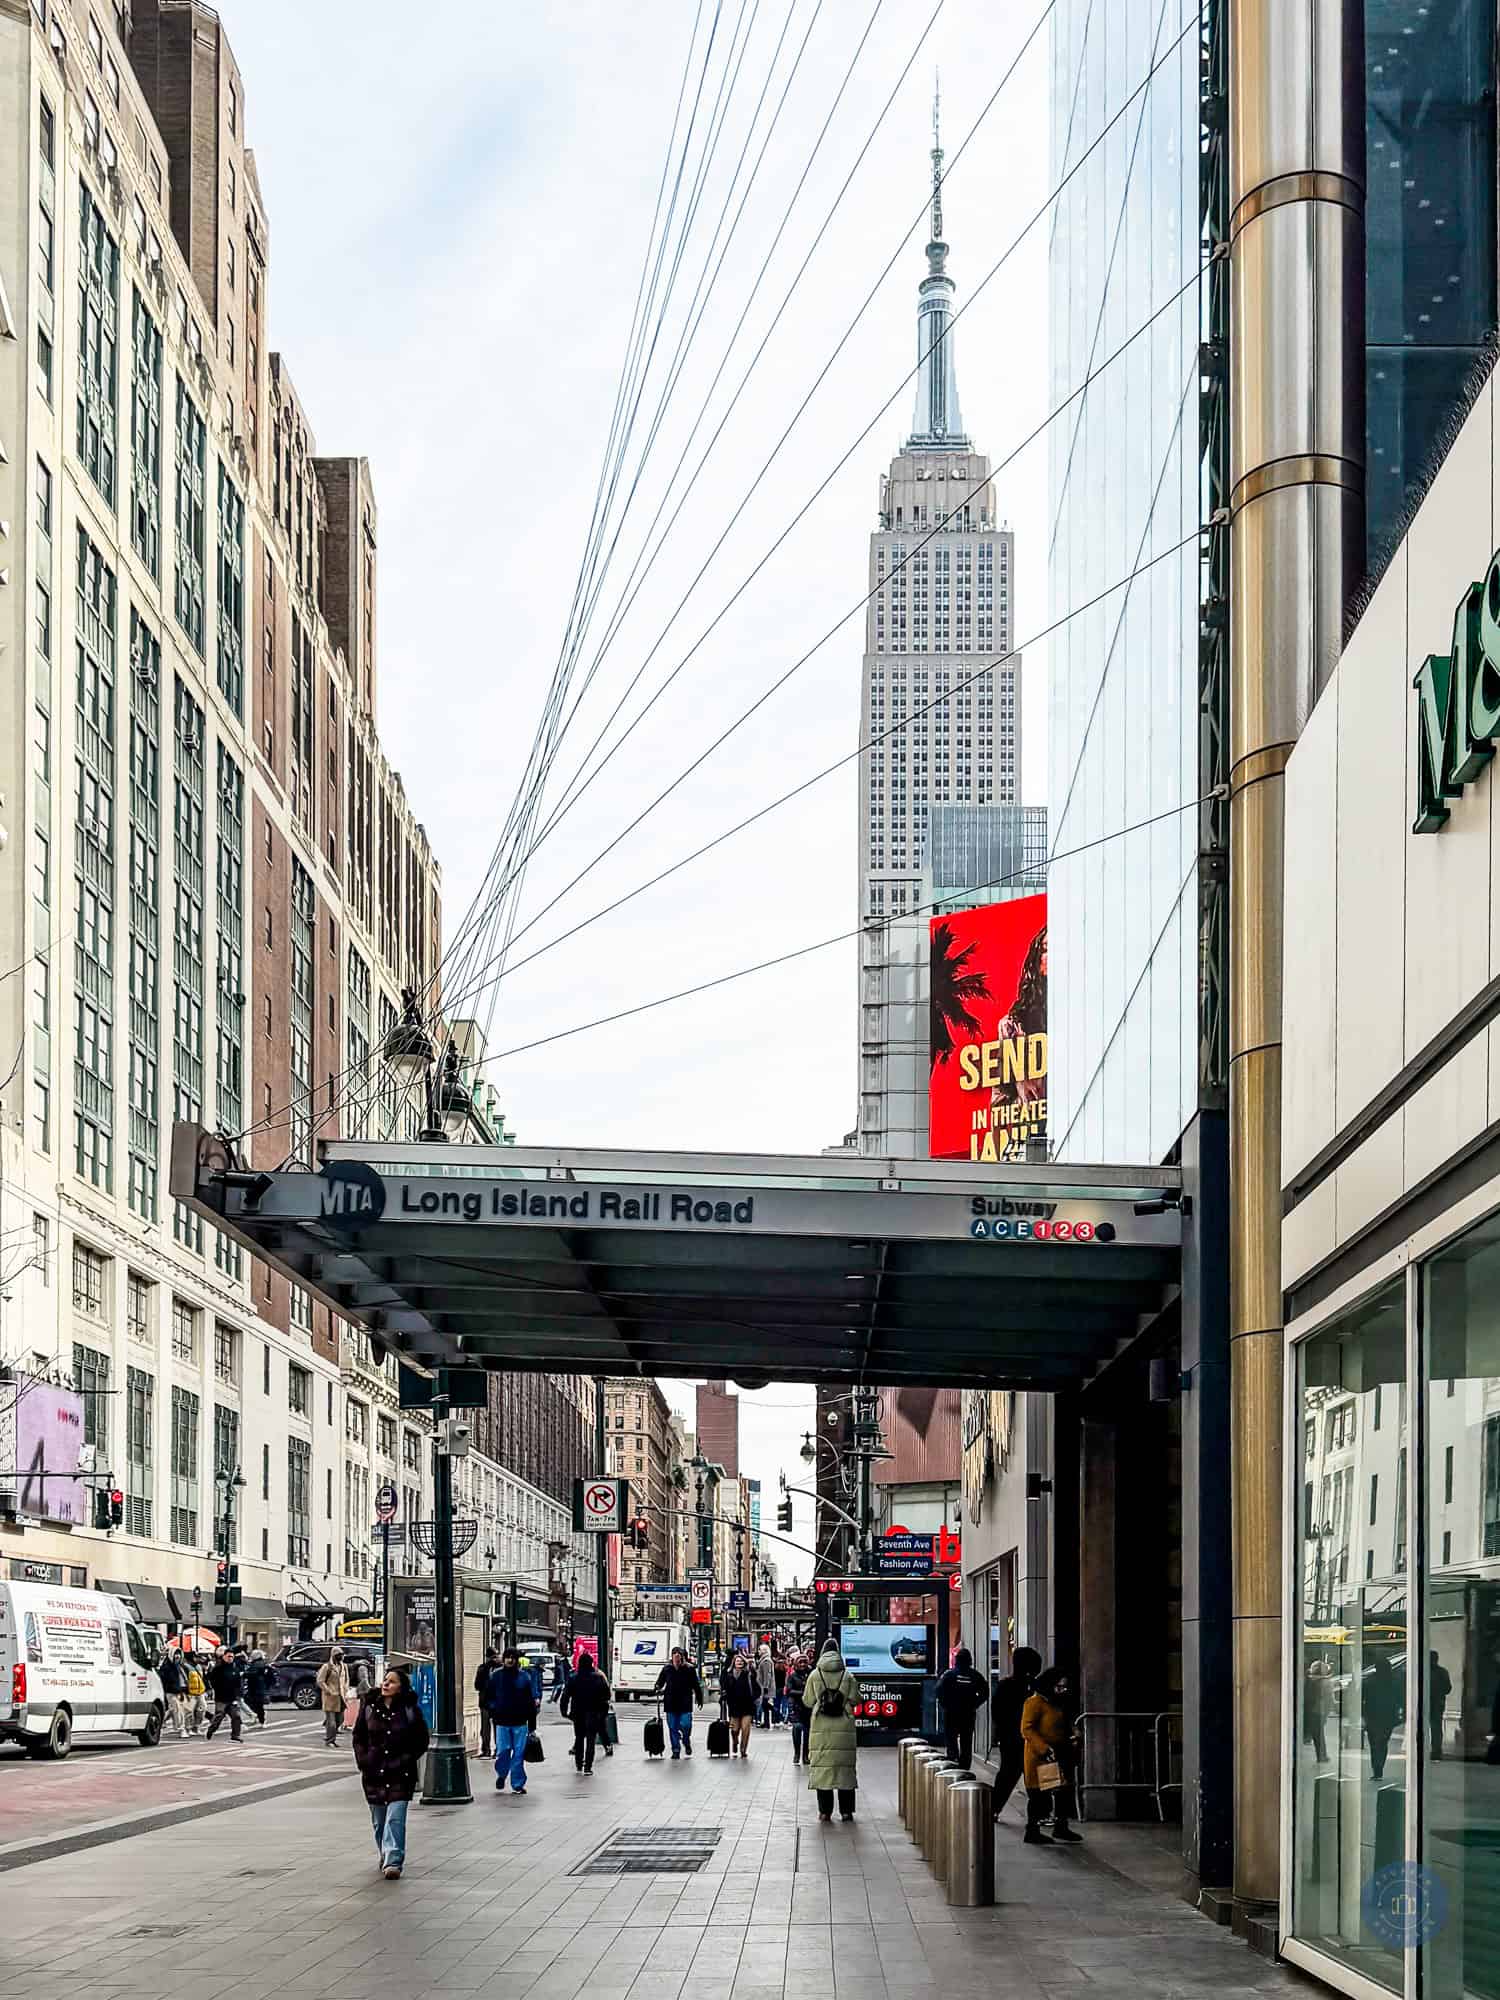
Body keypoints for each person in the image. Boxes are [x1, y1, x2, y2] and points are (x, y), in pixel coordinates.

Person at [353, 1665, 430, 1881]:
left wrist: (407, 1758)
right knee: (379, 1821)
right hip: (374, 1772)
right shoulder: (369, 1707)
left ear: (401, 1687)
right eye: (385, 1680)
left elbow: (421, 1739)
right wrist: (364, 1760)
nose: (386, 1684)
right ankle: (385, 1852)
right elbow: (359, 1736)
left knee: (395, 1818)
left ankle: (393, 1860)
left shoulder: (409, 1709)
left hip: (400, 1773)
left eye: (392, 1681)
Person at [1021, 1666, 1082, 1844]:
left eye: (1064, 1687)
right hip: (1042, 1757)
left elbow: (1068, 1721)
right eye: (1059, 1687)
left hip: (1060, 1752)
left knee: (1063, 1791)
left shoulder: (1058, 1703)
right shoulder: (1035, 1703)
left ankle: (1061, 1827)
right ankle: (1032, 1830)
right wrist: (1043, 1748)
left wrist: (1075, 1733)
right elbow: (1027, 1729)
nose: (1062, 1690)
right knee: (1040, 1795)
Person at [803, 1639, 861, 1822]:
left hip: (821, 1726)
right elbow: (856, 1699)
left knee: (823, 1770)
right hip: (844, 1726)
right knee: (845, 1770)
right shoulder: (848, 1675)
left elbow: (807, 1700)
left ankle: (825, 1811)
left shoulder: (815, 1674)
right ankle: (846, 1811)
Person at [990, 1646, 1041, 1821]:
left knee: (1008, 1774)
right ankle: (1039, 1814)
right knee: (1030, 1776)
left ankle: (994, 1808)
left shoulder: (1007, 1685)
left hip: (1011, 1737)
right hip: (1021, 1738)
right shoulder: (1033, 1686)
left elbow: (996, 1711)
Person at [485, 1647, 538, 1795]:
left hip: (519, 1721)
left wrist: (532, 1724)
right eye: (507, 1657)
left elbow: (530, 1702)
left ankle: (517, 1783)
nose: (509, 1660)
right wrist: (493, 1709)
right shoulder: (496, 1676)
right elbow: (488, 1696)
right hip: (502, 1720)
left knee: (518, 1755)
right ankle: (502, 1774)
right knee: (503, 1752)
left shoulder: (524, 1677)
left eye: (512, 1657)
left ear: (516, 1660)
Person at [935, 1646, 989, 1771]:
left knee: (951, 1737)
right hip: (968, 1714)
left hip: (951, 1713)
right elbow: (985, 1692)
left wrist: (946, 1704)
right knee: (966, 1741)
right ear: (970, 1660)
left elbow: (938, 1690)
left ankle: (952, 1761)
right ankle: (965, 1767)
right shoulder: (975, 1675)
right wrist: (975, 1703)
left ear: (956, 1660)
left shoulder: (949, 1675)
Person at [560, 1650, 609, 1774]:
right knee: (591, 1740)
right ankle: (588, 1767)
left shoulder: (573, 1678)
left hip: (577, 1712)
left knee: (579, 1738)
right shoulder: (598, 1678)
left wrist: (564, 1711)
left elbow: (565, 1696)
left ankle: (578, 1764)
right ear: (591, 1664)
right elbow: (607, 1695)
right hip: (593, 1712)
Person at [652, 1647, 704, 1759]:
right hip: (670, 1702)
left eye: (678, 1654)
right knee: (672, 1727)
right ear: (671, 1656)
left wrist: (699, 1698)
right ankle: (675, 1750)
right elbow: (660, 1682)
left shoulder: (689, 1669)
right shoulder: (667, 1669)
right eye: (674, 1654)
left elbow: (696, 1685)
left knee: (686, 1725)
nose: (676, 1656)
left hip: (685, 1702)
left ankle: (686, 1741)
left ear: (682, 1656)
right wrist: (657, 1687)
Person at [1364, 1653, 1400, 1780]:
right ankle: (1379, 1768)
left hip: (1372, 1716)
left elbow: (1363, 1700)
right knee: (1383, 1743)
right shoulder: (1395, 1680)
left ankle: (1376, 1770)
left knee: (1374, 1744)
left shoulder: (1369, 1681)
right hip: (1388, 1716)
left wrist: (1363, 1715)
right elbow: (1400, 1698)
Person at [722, 1651, 758, 1758]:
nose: (740, 1663)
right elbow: (724, 1687)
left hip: (747, 1705)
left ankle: (743, 1749)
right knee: (734, 1729)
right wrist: (724, 1696)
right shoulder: (728, 1674)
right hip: (734, 1706)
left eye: (741, 1661)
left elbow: (756, 1688)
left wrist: (754, 1698)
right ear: (734, 1662)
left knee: (745, 1728)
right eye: (737, 1661)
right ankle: (735, 1741)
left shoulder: (749, 1674)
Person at [204, 1646, 244, 1742]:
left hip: (232, 1697)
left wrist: (239, 1694)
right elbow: (210, 1678)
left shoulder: (235, 1668)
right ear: (224, 1656)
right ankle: (211, 1730)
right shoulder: (218, 1668)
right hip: (221, 1697)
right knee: (219, 1716)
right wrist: (214, 1688)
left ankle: (235, 1735)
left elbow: (238, 1682)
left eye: (232, 1657)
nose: (230, 1658)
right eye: (228, 1656)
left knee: (236, 1716)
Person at [317, 1648, 350, 1748]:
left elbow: (346, 1679)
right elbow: (320, 1680)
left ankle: (330, 1736)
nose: (341, 1656)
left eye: (342, 1654)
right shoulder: (327, 1667)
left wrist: (346, 1688)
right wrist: (328, 1690)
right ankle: (330, 1740)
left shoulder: (344, 1666)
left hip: (341, 1697)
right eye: (338, 1655)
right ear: (333, 1656)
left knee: (340, 1719)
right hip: (330, 1698)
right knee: (332, 1723)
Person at [474, 1647, 501, 1759]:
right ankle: (493, 1750)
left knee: (489, 1728)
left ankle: (488, 1750)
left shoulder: (483, 1668)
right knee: (493, 1728)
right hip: (491, 1702)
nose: (495, 1659)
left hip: (489, 1701)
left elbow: (477, 1686)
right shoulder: (499, 1669)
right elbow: (477, 1685)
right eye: (494, 1657)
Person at [1303, 1657, 1330, 1764]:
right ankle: (1322, 1755)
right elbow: (1328, 1700)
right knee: (1319, 1734)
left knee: (1317, 1734)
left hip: (1313, 1710)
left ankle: (1321, 1755)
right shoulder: (1324, 1683)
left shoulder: (1310, 1681)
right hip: (1318, 1711)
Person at [787, 1650, 811, 1766]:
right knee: (797, 1729)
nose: (802, 1665)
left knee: (807, 1733)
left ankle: (806, 1755)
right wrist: (803, 1692)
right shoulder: (792, 1676)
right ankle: (797, 1753)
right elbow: (789, 1690)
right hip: (796, 1706)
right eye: (800, 1662)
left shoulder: (811, 1674)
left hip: (808, 1707)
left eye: (804, 1662)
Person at [158, 1646, 188, 1737]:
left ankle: (160, 1723)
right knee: (177, 1709)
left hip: (179, 1691)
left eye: (179, 1654)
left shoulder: (180, 1666)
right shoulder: (166, 1667)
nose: (177, 1656)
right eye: (175, 1654)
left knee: (174, 1709)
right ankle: (181, 1729)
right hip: (170, 1691)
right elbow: (164, 1680)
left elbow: (183, 1679)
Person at [242, 1650, 274, 1730]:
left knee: (255, 1703)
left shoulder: (256, 1665)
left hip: (255, 1687)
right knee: (257, 1704)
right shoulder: (263, 1664)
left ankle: (260, 1719)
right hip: (260, 1687)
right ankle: (259, 1718)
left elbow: (251, 1673)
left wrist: (244, 1674)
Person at [1430, 1651, 1453, 1760]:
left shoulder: (1423, 1672)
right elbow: (1448, 1688)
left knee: (1424, 1727)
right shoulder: (1443, 1672)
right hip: (1438, 1703)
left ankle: (1427, 1750)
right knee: (1436, 1728)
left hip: (1427, 1703)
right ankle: (1436, 1751)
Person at [183, 1653, 207, 1735]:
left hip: (200, 1691)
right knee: (189, 1711)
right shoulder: (185, 1667)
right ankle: (188, 1728)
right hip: (190, 1692)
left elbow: (203, 1679)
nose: (198, 1659)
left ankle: (196, 1727)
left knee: (202, 1709)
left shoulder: (198, 1667)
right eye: (196, 1657)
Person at [755, 1644, 776, 1728]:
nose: (758, 1652)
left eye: (760, 1650)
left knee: (765, 1705)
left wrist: (765, 1686)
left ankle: (767, 1721)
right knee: (765, 1705)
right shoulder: (763, 1660)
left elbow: (767, 1674)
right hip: (763, 1686)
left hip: (765, 1687)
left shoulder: (766, 1661)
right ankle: (766, 1721)